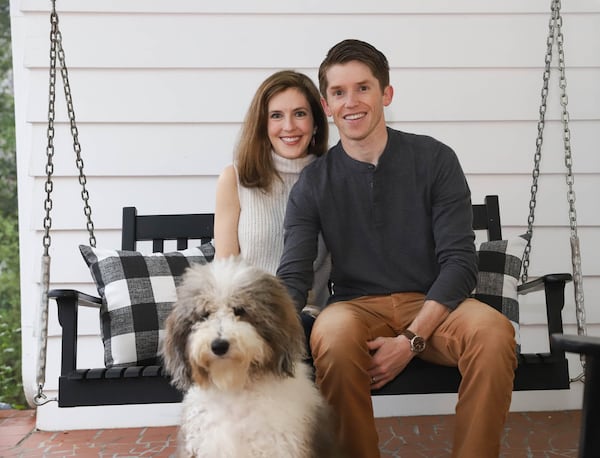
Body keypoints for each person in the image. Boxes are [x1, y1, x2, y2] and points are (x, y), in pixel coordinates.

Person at [277, 39, 517, 458]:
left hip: (435, 305)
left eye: (363, 88)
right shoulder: (313, 183)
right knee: (331, 335)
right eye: (339, 92)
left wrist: (410, 340)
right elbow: (293, 277)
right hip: (355, 308)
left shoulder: (435, 159)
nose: (351, 102)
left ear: (386, 94)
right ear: (327, 105)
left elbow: (460, 263)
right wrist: (261, 331)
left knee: (494, 333)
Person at [214, 70, 331, 328]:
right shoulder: (235, 179)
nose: (289, 126)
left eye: (300, 113)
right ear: (262, 124)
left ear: (315, 123)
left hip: (310, 319)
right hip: (247, 317)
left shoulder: (332, 179)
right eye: (276, 115)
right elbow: (224, 270)